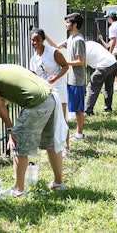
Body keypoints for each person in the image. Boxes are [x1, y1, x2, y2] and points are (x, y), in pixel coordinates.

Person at [0, 63, 68, 196]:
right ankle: (58, 183)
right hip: (51, 98)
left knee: (19, 144)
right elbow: (3, 101)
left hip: (35, 102)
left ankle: (18, 190)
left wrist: (11, 130)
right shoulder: (1, 69)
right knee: (51, 144)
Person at [45, 13, 86, 143]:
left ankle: (79, 133)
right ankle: (78, 132)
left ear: (74, 24)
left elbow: (81, 61)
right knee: (74, 106)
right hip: (71, 78)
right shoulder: (71, 38)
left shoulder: (78, 40)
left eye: (68, 22)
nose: (65, 24)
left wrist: (65, 63)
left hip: (77, 79)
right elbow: (56, 46)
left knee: (78, 108)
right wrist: (44, 36)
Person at [29, 27, 69, 158]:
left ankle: (66, 147)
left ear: (43, 40)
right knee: (48, 120)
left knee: (61, 119)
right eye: (33, 40)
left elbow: (65, 66)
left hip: (58, 88)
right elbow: (34, 75)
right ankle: (52, 146)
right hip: (44, 91)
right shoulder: (33, 59)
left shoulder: (53, 52)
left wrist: (56, 77)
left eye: (38, 40)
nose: (35, 43)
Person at [84, 41, 117, 116]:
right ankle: (108, 107)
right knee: (108, 86)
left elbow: (79, 62)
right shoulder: (90, 43)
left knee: (92, 86)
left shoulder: (81, 50)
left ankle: (88, 110)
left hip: (103, 66)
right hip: (112, 63)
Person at [99, 10, 117, 93]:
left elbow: (113, 41)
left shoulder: (112, 27)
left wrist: (110, 52)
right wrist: (102, 41)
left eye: (107, 17)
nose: (106, 19)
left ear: (111, 17)